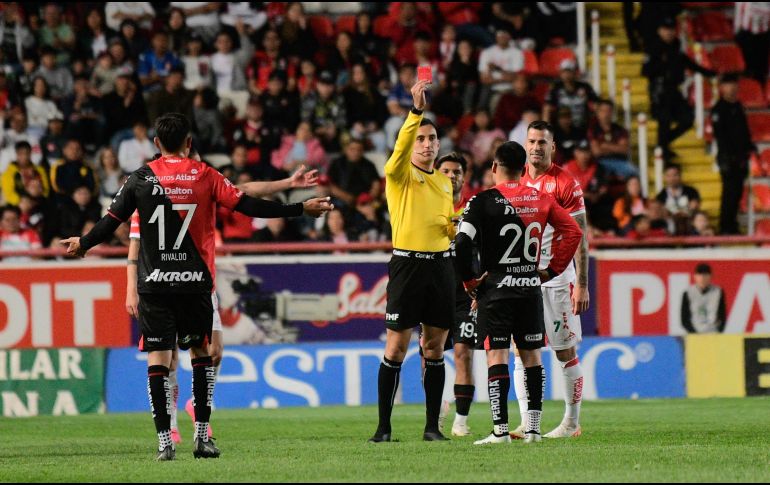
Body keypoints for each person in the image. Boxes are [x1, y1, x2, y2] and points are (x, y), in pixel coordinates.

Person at [61, 113, 332, 461]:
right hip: (194, 284)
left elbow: (109, 221)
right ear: (189, 143)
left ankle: (164, 442)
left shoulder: (140, 178)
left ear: (156, 144)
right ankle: (202, 438)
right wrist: (299, 208)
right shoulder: (206, 175)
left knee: (159, 360)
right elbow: (247, 204)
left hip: (155, 285)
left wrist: (83, 244)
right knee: (202, 356)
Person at [125, 162, 319, 445]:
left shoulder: (204, 185)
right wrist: (131, 288)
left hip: (203, 286)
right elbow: (134, 246)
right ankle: (172, 425)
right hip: (165, 283)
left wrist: (287, 184)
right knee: (169, 357)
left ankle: (197, 407)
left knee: (213, 352)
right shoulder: (147, 197)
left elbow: (247, 191)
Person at [455, 141, 582, 444]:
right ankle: (534, 430)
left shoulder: (481, 201)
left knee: (497, 354)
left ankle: (500, 431)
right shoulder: (541, 199)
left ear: (495, 167)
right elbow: (573, 232)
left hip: (496, 289)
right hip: (529, 288)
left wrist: (470, 283)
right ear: (523, 169)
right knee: (532, 358)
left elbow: (461, 244)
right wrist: (551, 271)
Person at [369, 80, 456, 443]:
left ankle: (432, 427)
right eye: (420, 139)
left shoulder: (444, 182)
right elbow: (401, 150)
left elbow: (445, 227)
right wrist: (415, 112)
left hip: (440, 267)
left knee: (434, 348)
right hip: (407, 266)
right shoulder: (400, 173)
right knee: (396, 348)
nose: (427, 144)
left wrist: (454, 228)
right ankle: (384, 428)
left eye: (432, 139)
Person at [518, 120, 591, 439]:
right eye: (531, 141)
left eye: (542, 143)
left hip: (558, 281)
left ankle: (571, 423)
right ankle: (526, 421)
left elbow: (580, 235)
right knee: (522, 351)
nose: (536, 147)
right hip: (522, 281)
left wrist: (583, 284)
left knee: (564, 352)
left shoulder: (565, 182)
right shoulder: (515, 178)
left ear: (552, 147)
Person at [434, 152, 475, 436]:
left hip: (463, 292)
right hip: (434, 290)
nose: (452, 175)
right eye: (446, 170)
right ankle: (435, 412)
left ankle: (461, 421)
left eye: (457, 171)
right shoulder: (426, 205)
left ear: (464, 176)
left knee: (463, 354)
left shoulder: (474, 208)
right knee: (430, 354)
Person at [642, 16, 715, 160]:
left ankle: (663, 143)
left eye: (671, 30)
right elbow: (645, 71)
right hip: (659, 90)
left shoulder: (676, 45)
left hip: (674, 89)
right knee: (665, 120)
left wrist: (708, 73)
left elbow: (687, 62)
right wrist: (662, 65)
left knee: (688, 118)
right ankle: (663, 150)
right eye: (666, 30)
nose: (669, 33)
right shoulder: (653, 48)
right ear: (659, 31)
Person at [711, 74, 755, 235]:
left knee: (737, 194)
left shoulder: (738, 106)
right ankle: (725, 226)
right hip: (728, 159)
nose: (732, 87)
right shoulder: (718, 109)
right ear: (722, 87)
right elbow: (720, 136)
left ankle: (733, 225)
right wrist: (729, 157)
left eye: (734, 84)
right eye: (729, 84)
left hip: (741, 158)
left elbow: (744, 131)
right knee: (729, 193)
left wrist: (750, 147)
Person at [655, 164, 701, 235]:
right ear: (665, 177)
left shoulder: (691, 191)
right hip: (669, 227)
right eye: (669, 176)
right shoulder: (660, 196)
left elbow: (694, 207)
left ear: (680, 176)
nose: (672, 178)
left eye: (675, 175)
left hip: (688, 224)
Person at [681, 263, 726, 334]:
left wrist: (719, 331)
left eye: (705, 275)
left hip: (713, 332)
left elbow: (722, 315)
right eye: (699, 275)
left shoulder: (718, 292)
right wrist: (694, 334)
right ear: (695, 276)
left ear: (710, 276)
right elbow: (684, 319)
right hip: (695, 332)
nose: (702, 278)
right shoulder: (688, 293)